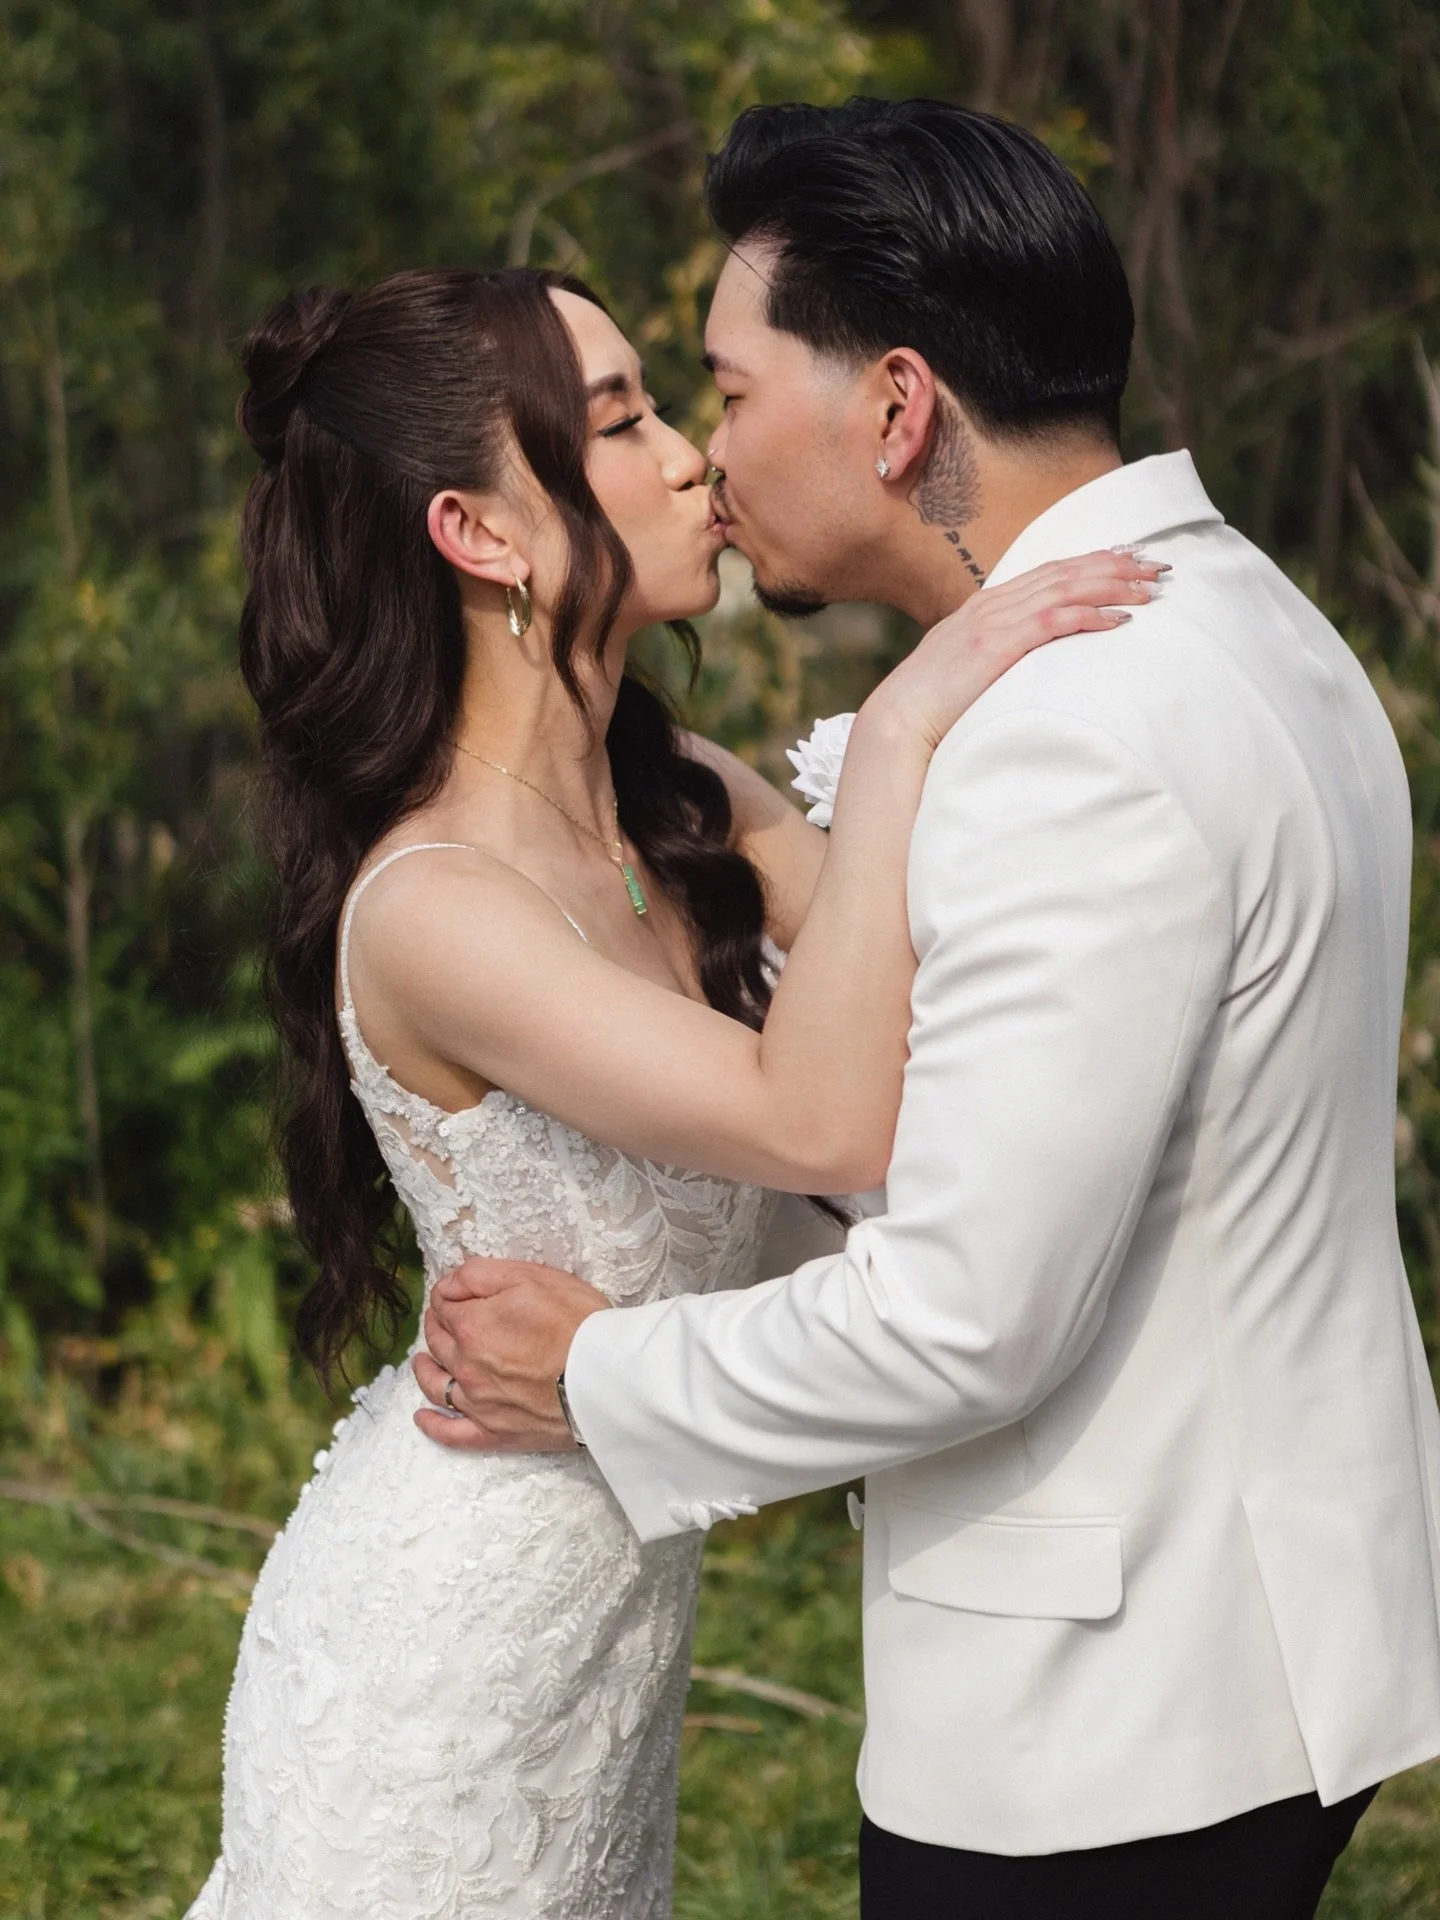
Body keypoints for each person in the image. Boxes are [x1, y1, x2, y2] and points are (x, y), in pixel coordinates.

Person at [416, 99, 1440, 1918]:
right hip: (1273, 1638)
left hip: (1118, 1718)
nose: (709, 460)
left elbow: (966, 1321)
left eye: (721, 394)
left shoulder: (1070, 738)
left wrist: (589, 1371)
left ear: (894, 410)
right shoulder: (1254, 615)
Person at [186, 259, 1147, 1918]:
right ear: (481, 534)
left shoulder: (685, 799)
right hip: (438, 1671)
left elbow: (938, 1050)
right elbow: (821, 1122)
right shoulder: (433, 910)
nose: (694, 453)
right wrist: (910, 722)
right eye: (621, 418)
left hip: (613, 1665)